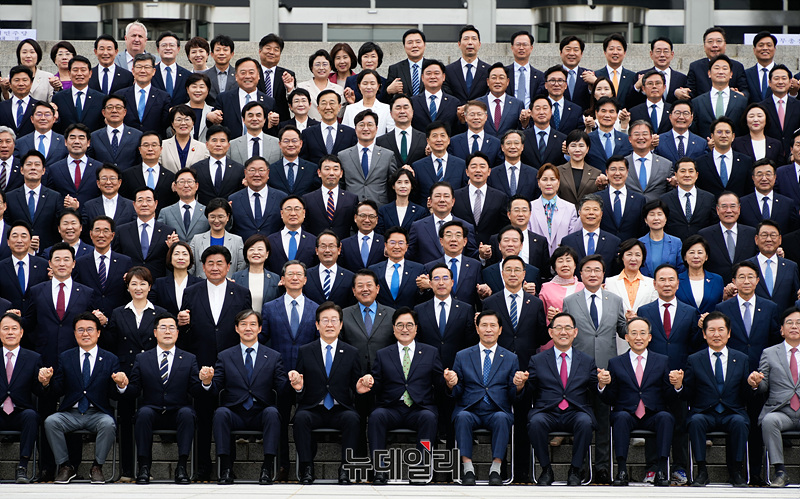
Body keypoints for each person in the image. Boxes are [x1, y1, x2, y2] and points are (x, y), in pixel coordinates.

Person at [178, 245, 252, 480]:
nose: (215, 267)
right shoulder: (191, 292)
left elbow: (246, 329)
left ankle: (227, 466)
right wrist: (182, 323)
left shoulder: (241, 293)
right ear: (203, 267)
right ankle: (203, 465)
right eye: (210, 263)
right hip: (201, 362)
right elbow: (185, 331)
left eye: (220, 263)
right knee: (203, 416)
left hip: (232, 364)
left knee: (227, 413)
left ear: (229, 266)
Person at [361, 307, 445, 485]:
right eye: (400, 325)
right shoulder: (384, 354)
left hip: (419, 408)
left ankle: (421, 469)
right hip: (391, 408)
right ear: (393, 329)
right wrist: (369, 382)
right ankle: (379, 469)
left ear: (416, 328)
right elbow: (378, 383)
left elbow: (439, 383)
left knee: (429, 418)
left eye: (409, 325)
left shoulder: (430, 352)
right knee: (376, 416)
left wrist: (449, 381)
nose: (404, 329)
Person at [562, 254, 627, 482]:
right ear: (580, 274)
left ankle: (601, 467)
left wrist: (632, 326)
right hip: (579, 369)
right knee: (580, 419)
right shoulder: (570, 301)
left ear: (603, 274)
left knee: (603, 419)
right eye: (588, 270)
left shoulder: (615, 300)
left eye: (597, 270)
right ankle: (579, 466)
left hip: (606, 370)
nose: (592, 274)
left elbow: (622, 329)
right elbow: (565, 332)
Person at [715, 260, 780, 483]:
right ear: (733, 281)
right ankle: (734, 471)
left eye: (750, 277)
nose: (746, 281)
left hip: (761, 374)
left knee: (756, 422)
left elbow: (774, 340)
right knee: (734, 421)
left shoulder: (769, 307)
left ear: (758, 280)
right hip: (731, 372)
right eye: (741, 277)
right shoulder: (723, 308)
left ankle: (757, 473)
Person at [206, 309, 288, 485]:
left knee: (273, 413)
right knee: (220, 413)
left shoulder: (273, 356)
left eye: (252, 324)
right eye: (243, 324)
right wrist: (207, 382)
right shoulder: (225, 356)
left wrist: (294, 384)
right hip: (235, 412)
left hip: (261, 412)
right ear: (237, 328)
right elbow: (216, 389)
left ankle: (267, 468)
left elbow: (282, 388)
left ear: (260, 328)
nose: (248, 328)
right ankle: (226, 468)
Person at [43, 312, 124, 484]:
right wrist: (47, 382)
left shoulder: (110, 359)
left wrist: (120, 385)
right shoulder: (66, 357)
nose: (85, 334)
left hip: (97, 413)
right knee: (51, 421)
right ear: (74, 333)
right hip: (71, 413)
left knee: (108, 424)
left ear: (98, 333)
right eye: (80, 330)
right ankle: (65, 466)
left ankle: (97, 467)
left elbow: (114, 394)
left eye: (90, 329)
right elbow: (58, 390)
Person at [638, 263, 700, 483]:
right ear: (654, 284)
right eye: (662, 280)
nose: (666, 284)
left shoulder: (690, 311)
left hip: (680, 377)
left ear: (678, 283)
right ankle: (652, 467)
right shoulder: (644, 311)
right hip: (652, 377)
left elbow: (694, 345)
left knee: (680, 422)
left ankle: (679, 467)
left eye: (671, 279)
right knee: (654, 420)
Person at [289, 301, 364, 485]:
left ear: (341, 324)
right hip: (313, 408)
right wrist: (298, 387)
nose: (329, 324)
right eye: (325, 320)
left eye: (334, 320)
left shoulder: (351, 352)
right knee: (300, 418)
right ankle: (307, 468)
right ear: (317, 325)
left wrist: (359, 389)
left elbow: (357, 385)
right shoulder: (306, 351)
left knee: (353, 419)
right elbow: (299, 386)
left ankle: (346, 468)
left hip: (340, 408)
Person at [599, 316, 679, 486]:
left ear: (649, 337)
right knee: (620, 417)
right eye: (633, 333)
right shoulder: (616, 362)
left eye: (643, 333)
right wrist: (602, 385)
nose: (638, 337)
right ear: (626, 337)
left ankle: (660, 470)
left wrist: (677, 386)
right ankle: (621, 470)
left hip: (653, 414)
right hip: (627, 413)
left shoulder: (662, 361)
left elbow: (669, 395)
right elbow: (609, 398)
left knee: (666, 417)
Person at [104, 266, 167, 480]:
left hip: (152, 372)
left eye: (142, 283)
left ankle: (145, 467)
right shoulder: (118, 312)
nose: (138, 288)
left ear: (150, 287)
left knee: (146, 419)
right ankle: (127, 470)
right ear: (128, 287)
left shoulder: (160, 313)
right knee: (125, 420)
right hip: (126, 373)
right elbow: (112, 342)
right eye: (134, 284)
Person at [449, 309, 523, 486]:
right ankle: (468, 469)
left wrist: (519, 385)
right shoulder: (462, 355)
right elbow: (457, 391)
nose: (488, 329)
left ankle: (495, 469)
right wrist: (451, 383)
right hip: (470, 408)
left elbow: (513, 394)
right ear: (477, 329)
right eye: (484, 325)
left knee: (502, 418)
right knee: (462, 417)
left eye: (492, 325)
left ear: (500, 330)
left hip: (497, 409)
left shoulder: (511, 358)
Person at [127, 312, 202, 484]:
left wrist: (205, 383)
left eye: (171, 328)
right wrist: (123, 385)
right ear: (155, 332)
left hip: (178, 410)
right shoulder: (142, 358)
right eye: (163, 328)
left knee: (187, 414)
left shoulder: (189, 358)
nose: (167, 331)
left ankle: (182, 467)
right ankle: (144, 467)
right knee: (143, 414)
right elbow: (135, 389)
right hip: (152, 410)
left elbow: (195, 390)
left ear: (177, 332)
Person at [259, 260, 319, 476]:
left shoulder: (316, 308)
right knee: (280, 421)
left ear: (305, 279)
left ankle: (307, 465)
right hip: (278, 375)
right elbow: (262, 339)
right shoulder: (270, 307)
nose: (294, 278)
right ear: (282, 280)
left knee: (307, 420)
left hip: (308, 376)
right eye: (290, 274)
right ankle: (282, 464)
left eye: (299, 274)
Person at [681, 311, 752, 487]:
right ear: (704, 334)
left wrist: (753, 385)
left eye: (721, 330)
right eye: (711, 330)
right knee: (695, 421)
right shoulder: (694, 359)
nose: (716, 334)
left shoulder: (741, 358)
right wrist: (678, 386)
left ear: (729, 333)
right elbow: (687, 393)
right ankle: (702, 471)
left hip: (732, 411)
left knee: (739, 422)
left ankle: (736, 472)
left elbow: (746, 394)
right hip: (705, 411)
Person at [527, 312, 597, 486]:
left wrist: (602, 384)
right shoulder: (537, 360)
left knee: (585, 422)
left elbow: (597, 391)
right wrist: (520, 385)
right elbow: (529, 390)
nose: (563, 332)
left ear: (575, 332)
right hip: (547, 411)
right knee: (535, 422)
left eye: (568, 328)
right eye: (558, 328)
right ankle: (546, 470)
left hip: (575, 411)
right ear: (551, 332)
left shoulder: (587, 360)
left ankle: (575, 470)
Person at [750, 306, 800, 487]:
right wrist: (756, 382)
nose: (794, 326)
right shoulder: (769, 353)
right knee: (769, 421)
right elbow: (763, 386)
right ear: (781, 330)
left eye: (799, 323)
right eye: (789, 323)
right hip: (781, 411)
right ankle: (780, 471)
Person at [0, 312, 46, 483]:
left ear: (21, 333)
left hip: (20, 411)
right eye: (5, 329)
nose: (10, 332)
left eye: (14, 328)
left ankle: (22, 467)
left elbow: (39, 391)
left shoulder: (33, 358)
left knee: (31, 416)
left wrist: (44, 382)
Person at [415, 262, 476, 370]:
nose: (441, 283)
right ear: (430, 283)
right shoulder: (419, 310)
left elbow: (470, 342)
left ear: (452, 282)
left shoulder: (465, 309)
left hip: (457, 367)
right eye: (436, 279)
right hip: (427, 367)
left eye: (445, 278)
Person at [73, 216, 132, 319]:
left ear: (112, 235)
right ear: (91, 234)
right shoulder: (80, 263)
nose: (101, 235)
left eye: (105, 231)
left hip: (117, 320)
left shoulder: (125, 262)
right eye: (97, 230)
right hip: (89, 320)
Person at [407, 182, 479, 263]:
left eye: (446, 196)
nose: (442, 200)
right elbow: (410, 255)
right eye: (437, 196)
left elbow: (472, 255)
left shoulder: (466, 226)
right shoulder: (418, 227)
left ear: (453, 201)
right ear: (430, 201)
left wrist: (482, 255)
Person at [114, 186, 177, 279]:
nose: (144, 204)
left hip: (158, 283)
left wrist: (173, 247)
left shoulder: (167, 231)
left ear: (155, 204)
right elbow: (116, 259)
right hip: (131, 282)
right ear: (134, 204)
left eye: (148, 200)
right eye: (140, 200)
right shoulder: (122, 231)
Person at [6, 150, 63, 250]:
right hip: (18, 251)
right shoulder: (10, 197)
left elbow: (57, 228)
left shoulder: (55, 197)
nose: (33, 167)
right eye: (29, 164)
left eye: (37, 164)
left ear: (43, 170)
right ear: (22, 170)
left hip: (46, 252)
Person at [339, 110, 398, 205]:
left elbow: (393, 184)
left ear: (376, 128)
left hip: (379, 207)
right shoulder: (343, 156)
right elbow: (340, 184)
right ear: (355, 129)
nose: (365, 129)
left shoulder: (388, 155)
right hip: (351, 206)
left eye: (370, 125)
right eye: (361, 125)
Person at [698, 192, 758, 284]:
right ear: (717, 210)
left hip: (745, 286)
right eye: (724, 206)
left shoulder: (752, 233)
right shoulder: (705, 235)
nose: (729, 210)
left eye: (733, 206)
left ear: (739, 209)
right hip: (715, 286)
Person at [423, 220, 487, 307]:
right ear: (441, 241)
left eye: (458, 235)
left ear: (465, 241)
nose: (453, 239)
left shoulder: (475, 266)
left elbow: (479, 297)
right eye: (449, 235)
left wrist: (483, 294)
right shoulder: (430, 267)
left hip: (467, 313)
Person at [453, 152, 508, 245]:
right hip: (462, 247)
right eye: (473, 166)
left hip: (490, 247)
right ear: (467, 172)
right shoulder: (456, 196)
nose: (478, 170)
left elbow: (504, 226)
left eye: (482, 166)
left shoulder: (500, 197)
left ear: (489, 171)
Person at [227, 156, 287, 242]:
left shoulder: (281, 197)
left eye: (261, 170)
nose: (257, 174)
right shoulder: (234, 199)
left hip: (273, 246)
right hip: (244, 247)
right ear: (245, 173)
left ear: (268, 173)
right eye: (252, 170)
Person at [214, 57, 276, 138]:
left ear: (258, 76)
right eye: (243, 73)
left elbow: (272, 131)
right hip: (231, 144)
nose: (247, 76)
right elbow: (213, 124)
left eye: (251, 72)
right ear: (236, 76)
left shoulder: (269, 101)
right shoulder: (224, 98)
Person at [746, 220, 799, 313]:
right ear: (756, 239)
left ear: (780, 239)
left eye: (773, 235)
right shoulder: (746, 266)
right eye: (764, 235)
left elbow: (795, 298)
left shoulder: (791, 267)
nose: (769, 239)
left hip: (783, 319)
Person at [691, 55, 748, 139]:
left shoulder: (742, 101)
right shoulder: (697, 102)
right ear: (709, 73)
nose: (721, 72)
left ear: (731, 74)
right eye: (717, 68)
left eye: (725, 69)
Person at [684, 27, 749, 101]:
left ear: (725, 44)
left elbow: (745, 91)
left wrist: (740, 94)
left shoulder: (737, 66)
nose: (714, 45)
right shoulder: (695, 67)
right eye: (710, 41)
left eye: (719, 41)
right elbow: (690, 91)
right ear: (704, 46)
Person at [660, 157, 718, 241]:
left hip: (701, 245)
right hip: (674, 246)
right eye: (683, 171)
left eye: (691, 171)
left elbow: (713, 225)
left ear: (696, 175)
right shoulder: (665, 199)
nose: (687, 175)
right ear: (676, 175)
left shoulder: (709, 198)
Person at [302, 155, 358, 240]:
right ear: (319, 172)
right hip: (315, 245)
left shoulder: (351, 199)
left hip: (342, 245)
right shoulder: (308, 199)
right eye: (327, 169)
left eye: (335, 169)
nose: (331, 173)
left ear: (341, 173)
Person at [696, 117, 754, 198]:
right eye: (719, 132)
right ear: (712, 136)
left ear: (733, 136)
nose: (723, 135)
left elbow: (750, 190)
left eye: (727, 132)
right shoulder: (700, 162)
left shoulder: (745, 161)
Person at [119, 133, 178, 213]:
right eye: (146, 145)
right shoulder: (128, 175)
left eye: (154, 145)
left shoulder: (171, 177)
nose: (150, 149)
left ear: (161, 149)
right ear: (140, 149)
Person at [46, 123, 101, 208]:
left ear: (88, 142)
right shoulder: (54, 169)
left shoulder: (98, 168)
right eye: (72, 138)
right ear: (65, 142)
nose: (76, 141)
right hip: (64, 215)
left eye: (81, 138)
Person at [369, 226, 425, 310]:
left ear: (407, 247)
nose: (396, 247)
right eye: (392, 243)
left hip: (408, 315)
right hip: (382, 316)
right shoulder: (374, 270)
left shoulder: (418, 269)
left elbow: (422, 298)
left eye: (401, 243)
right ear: (385, 245)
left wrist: (423, 289)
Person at [604, 238, 658, 324]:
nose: (633, 259)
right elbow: (607, 311)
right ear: (622, 257)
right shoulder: (610, 282)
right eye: (629, 254)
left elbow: (654, 311)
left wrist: (638, 317)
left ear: (643, 258)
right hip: (617, 330)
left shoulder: (652, 283)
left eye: (638, 255)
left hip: (643, 329)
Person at [530, 164, 580, 255]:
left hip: (562, 256)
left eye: (553, 179)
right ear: (538, 183)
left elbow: (572, 235)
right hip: (536, 255)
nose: (548, 183)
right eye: (544, 179)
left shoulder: (570, 208)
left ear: (558, 182)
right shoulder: (530, 207)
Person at [411, 122, 466, 204]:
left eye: (442, 135)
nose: (439, 139)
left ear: (449, 140)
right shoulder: (418, 166)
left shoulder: (461, 164)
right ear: (428, 141)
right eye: (434, 136)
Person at [117, 53, 171, 135]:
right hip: (127, 140)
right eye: (139, 67)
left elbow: (165, 124)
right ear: (133, 71)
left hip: (153, 141)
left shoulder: (163, 97)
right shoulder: (120, 95)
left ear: (153, 71)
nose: (142, 71)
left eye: (147, 67)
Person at [561, 194, 622, 267]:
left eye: (595, 209)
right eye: (587, 209)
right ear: (579, 213)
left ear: (601, 213)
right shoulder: (568, 241)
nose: (591, 213)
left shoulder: (613, 242)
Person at [0, 221, 49, 311]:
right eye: (15, 236)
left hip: (36, 317)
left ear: (30, 241)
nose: (19, 240)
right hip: (9, 316)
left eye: (23, 236)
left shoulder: (43, 265)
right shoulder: (1, 267)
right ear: (8, 242)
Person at [190, 197, 245, 278]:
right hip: (202, 284)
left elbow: (241, 268)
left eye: (220, 217)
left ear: (228, 217)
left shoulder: (237, 240)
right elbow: (190, 268)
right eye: (212, 217)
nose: (216, 220)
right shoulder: (197, 240)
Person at [300, 90, 357, 165]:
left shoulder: (350, 133)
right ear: (318, 109)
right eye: (324, 103)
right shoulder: (307, 133)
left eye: (332, 103)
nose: (328, 107)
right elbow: (303, 161)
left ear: (339, 107)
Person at [740, 159, 798, 232]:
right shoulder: (743, 203)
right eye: (759, 175)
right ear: (753, 178)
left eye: (768, 174)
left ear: (775, 177)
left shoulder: (787, 204)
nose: (764, 179)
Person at [191, 125, 245, 204]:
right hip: (204, 210)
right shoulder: (196, 168)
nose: (218, 144)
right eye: (214, 140)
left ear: (228, 145)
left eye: (222, 141)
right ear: (207, 144)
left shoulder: (239, 169)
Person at [598, 156, 647, 241]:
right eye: (613, 169)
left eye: (621, 169)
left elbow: (642, 228)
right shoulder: (597, 198)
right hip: (605, 246)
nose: (617, 173)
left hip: (631, 246)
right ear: (607, 172)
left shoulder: (639, 199)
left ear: (627, 172)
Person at [50, 56, 104, 133]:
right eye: (75, 70)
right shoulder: (58, 98)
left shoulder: (100, 98)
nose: (79, 74)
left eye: (83, 70)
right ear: (69, 73)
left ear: (90, 73)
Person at [88, 94, 143, 170]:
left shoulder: (137, 135)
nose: (114, 111)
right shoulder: (94, 136)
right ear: (103, 112)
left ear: (125, 112)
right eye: (110, 107)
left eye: (118, 107)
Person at [149, 241, 202, 318]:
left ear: (190, 258)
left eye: (185, 254)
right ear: (170, 258)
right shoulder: (160, 283)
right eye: (176, 254)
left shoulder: (199, 284)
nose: (181, 257)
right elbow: (151, 307)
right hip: (167, 324)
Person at [156, 167, 210, 242]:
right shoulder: (165, 212)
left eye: (190, 181)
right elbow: (158, 237)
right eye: (181, 182)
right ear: (175, 186)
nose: (186, 185)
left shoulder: (207, 211)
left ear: (196, 186)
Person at [265, 196, 317, 274]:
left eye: (297, 209)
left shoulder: (313, 241)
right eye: (288, 209)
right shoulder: (270, 240)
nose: (293, 213)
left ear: (304, 213)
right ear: (282, 213)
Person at [676, 235, 726, 315]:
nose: (696, 256)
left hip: (710, 322)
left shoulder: (717, 280)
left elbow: (720, 306)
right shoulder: (676, 280)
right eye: (691, 252)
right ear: (685, 257)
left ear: (706, 257)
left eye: (700, 252)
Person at [481, 226, 540, 294]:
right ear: (499, 245)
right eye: (506, 240)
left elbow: (538, 298)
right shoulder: (487, 273)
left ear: (521, 246)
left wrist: (531, 294)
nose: (510, 244)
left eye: (515, 240)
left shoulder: (533, 272)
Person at [304, 230, 355, 308]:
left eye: (331, 246)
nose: (327, 250)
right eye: (323, 246)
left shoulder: (350, 277)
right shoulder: (306, 275)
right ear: (316, 250)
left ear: (339, 250)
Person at [624, 120, 673, 201]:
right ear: (630, 139)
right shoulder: (622, 164)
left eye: (645, 134)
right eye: (636, 134)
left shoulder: (666, 164)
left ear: (651, 137)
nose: (641, 137)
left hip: (656, 207)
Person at [81, 163, 137, 233]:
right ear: (98, 183)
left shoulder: (131, 205)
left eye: (112, 178)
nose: (108, 182)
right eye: (104, 178)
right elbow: (83, 231)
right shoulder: (89, 206)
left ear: (119, 182)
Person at [231, 234, 280, 310]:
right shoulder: (236, 277)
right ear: (246, 254)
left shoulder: (275, 278)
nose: (256, 252)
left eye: (260, 249)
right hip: (243, 317)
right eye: (251, 249)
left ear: (267, 254)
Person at [443, 25, 490, 105]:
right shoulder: (448, 70)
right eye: (466, 39)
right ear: (459, 44)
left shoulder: (488, 70)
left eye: (474, 39)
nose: (470, 42)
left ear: (479, 44)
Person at [266, 125, 318, 197]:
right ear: (280, 144)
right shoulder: (271, 169)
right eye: (286, 141)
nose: (290, 144)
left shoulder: (312, 168)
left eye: (294, 141)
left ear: (301, 143)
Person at [377, 94, 428, 166]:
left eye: (406, 107)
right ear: (391, 114)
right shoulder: (381, 141)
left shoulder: (425, 139)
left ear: (412, 112)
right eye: (398, 108)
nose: (402, 111)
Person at [410, 60, 460, 133]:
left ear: (443, 77)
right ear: (422, 77)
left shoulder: (454, 102)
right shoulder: (413, 102)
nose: (432, 77)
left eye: (436, 73)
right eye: (428, 73)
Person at [633, 38, 687, 105]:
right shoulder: (641, 75)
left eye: (666, 51)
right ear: (651, 54)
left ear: (672, 54)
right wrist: (637, 86)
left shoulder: (682, 78)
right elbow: (631, 101)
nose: (662, 55)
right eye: (658, 51)